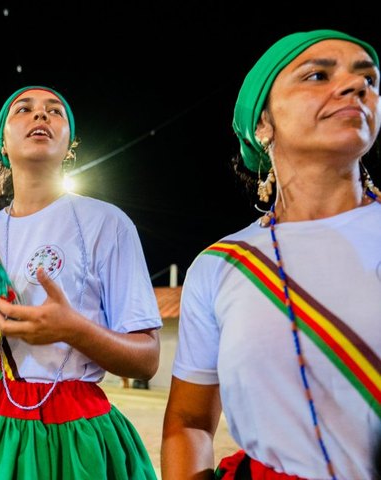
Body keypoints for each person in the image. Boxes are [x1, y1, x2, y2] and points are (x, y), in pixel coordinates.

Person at [0, 86, 163, 478]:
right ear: (3, 140)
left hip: (64, 431)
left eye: (55, 111)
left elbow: (147, 359)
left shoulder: (107, 223)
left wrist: (74, 330)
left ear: (70, 143)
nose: (41, 115)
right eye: (24, 109)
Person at [161, 30, 381, 480]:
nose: (356, 86)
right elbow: (190, 423)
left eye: (370, 79)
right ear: (262, 124)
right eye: (318, 75)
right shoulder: (221, 265)